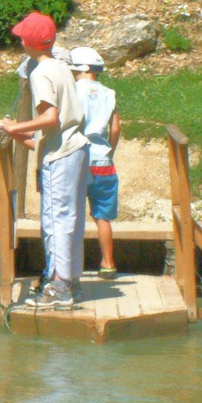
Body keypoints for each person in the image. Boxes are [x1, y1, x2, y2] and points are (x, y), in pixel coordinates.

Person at [0, 11, 89, 309]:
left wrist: (12, 126)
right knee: (71, 219)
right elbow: (56, 129)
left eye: (22, 37)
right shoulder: (62, 68)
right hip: (75, 150)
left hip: (60, 157)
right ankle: (70, 282)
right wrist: (20, 135)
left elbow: (50, 118)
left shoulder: (41, 73)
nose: (20, 41)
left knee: (54, 220)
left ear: (31, 43)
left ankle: (58, 287)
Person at [70, 46, 121, 279]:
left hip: (79, 159)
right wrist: (110, 150)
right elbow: (116, 127)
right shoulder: (110, 93)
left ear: (80, 69)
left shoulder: (73, 90)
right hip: (104, 161)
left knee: (73, 214)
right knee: (102, 216)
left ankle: (71, 266)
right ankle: (108, 263)